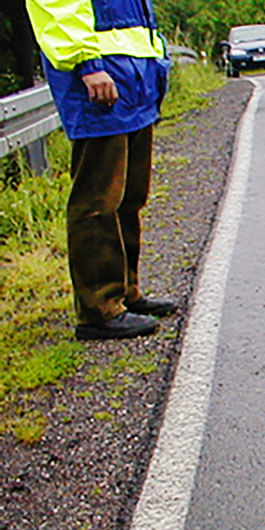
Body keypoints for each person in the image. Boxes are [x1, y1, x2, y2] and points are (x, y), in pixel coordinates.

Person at [25, 0, 175, 339]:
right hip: (98, 73)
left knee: (130, 193)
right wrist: (87, 63)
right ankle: (99, 308)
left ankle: (125, 292)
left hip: (134, 75)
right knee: (98, 198)